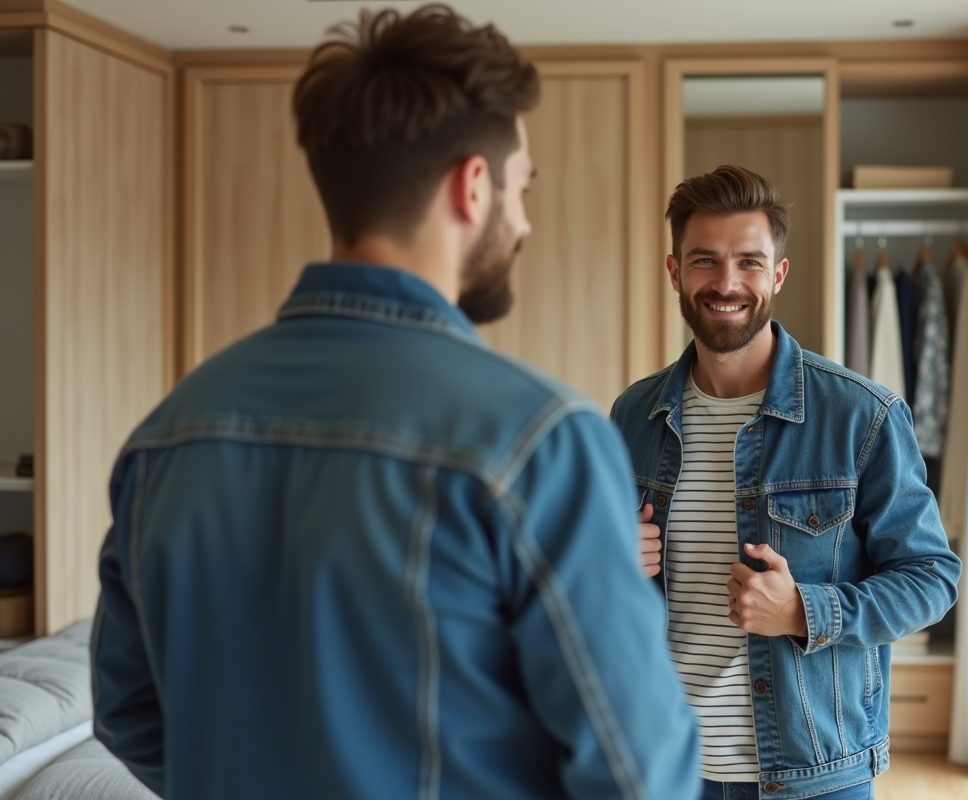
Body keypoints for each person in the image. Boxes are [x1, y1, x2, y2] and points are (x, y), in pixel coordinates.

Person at [90, 7, 700, 800]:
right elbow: (638, 775)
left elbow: (128, 714)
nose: (524, 220)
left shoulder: (165, 437)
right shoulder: (541, 441)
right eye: (521, 187)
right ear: (472, 186)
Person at [611, 165, 962, 800]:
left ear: (778, 274)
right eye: (704, 260)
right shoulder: (634, 415)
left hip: (813, 779)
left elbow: (932, 579)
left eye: (749, 262)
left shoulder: (861, 416)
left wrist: (804, 611)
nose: (726, 283)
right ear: (674, 271)